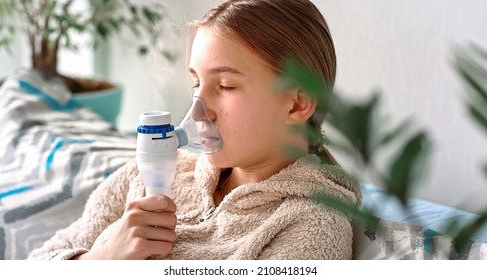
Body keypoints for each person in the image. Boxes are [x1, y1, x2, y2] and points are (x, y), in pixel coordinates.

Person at [28, 0, 361, 260]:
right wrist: (98, 260)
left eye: (226, 85)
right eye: (196, 83)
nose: (198, 110)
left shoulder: (310, 224)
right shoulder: (149, 177)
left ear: (296, 104)